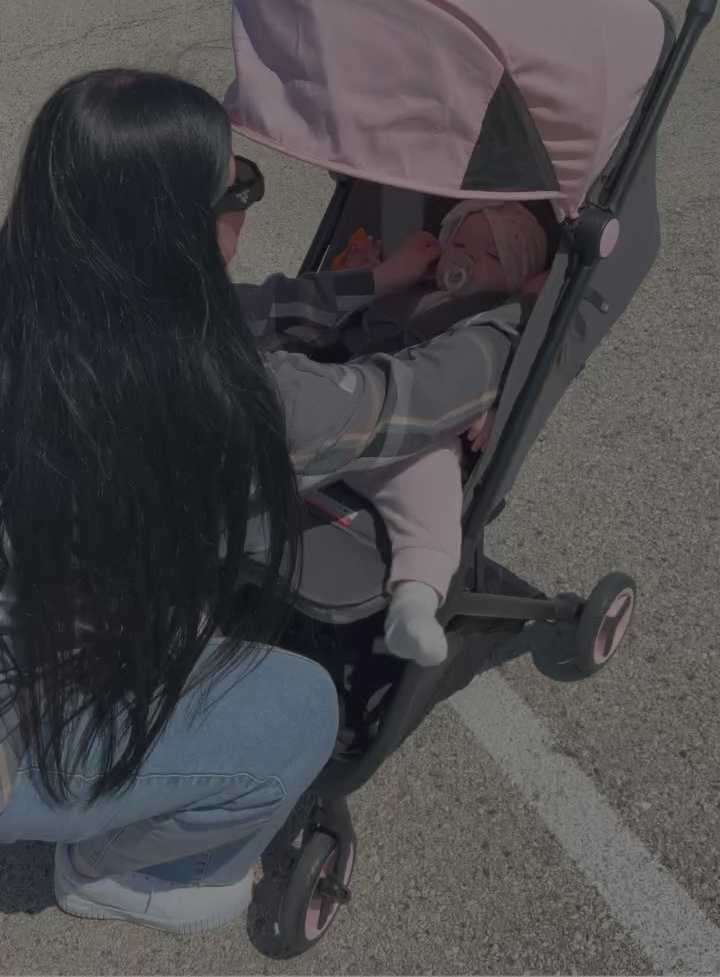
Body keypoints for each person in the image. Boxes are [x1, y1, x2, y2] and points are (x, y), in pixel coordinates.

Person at [0, 70, 518, 935]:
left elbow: (242, 308)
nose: (246, 198)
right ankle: (110, 870)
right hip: (26, 735)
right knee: (300, 708)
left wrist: (373, 281)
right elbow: (403, 399)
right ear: (180, 223)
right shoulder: (221, 401)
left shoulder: (51, 292)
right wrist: (512, 316)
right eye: (239, 186)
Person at [230, 199, 547, 668]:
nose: (468, 257)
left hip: (411, 441)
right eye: (460, 243)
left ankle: (415, 599)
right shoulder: (407, 286)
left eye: (492, 255)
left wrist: (495, 405)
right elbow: (334, 321)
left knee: (432, 492)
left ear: (517, 278)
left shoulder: (492, 319)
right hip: (342, 399)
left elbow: (504, 373)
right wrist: (364, 274)